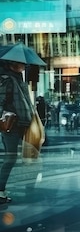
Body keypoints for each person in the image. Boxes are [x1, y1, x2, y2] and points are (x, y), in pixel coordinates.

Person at [0, 60, 36, 204]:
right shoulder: (6, 80)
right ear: (12, 65)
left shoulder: (18, 79)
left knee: (32, 154)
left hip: (23, 123)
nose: (24, 66)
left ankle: (29, 187)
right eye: (21, 64)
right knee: (10, 158)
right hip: (12, 123)